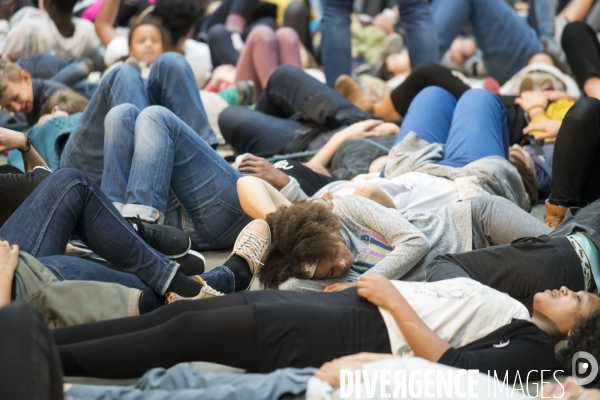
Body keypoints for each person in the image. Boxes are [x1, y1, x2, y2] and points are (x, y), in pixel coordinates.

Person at [52, 273, 599, 386]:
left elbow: (455, 367)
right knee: (181, 317)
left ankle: (37, 361)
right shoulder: (517, 315)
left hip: (363, 338)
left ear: (578, 335)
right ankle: (37, 345)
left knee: (183, 337)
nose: (566, 289)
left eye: (577, 299)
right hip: (358, 313)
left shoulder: (537, 353)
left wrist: (392, 297)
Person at [60, 52, 220, 184]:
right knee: (123, 74)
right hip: (84, 162)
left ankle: (207, 162)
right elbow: (79, 70)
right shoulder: (44, 115)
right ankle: (150, 163)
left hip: (129, 131)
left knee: (170, 61)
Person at [0, 58, 76, 126]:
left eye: (16, 98)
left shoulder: (55, 99)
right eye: (7, 107)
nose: (17, 108)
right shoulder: (28, 103)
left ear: (26, 78)